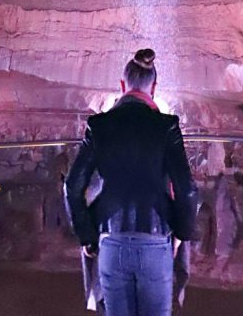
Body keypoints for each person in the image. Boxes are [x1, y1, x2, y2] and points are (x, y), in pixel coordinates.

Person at [64, 48, 197, 316]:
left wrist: (88, 237)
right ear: (154, 87)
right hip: (155, 240)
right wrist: (181, 235)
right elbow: (188, 191)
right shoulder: (166, 126)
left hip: (111, 240)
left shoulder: (98, 125)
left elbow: (72, 187)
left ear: (122, 85)